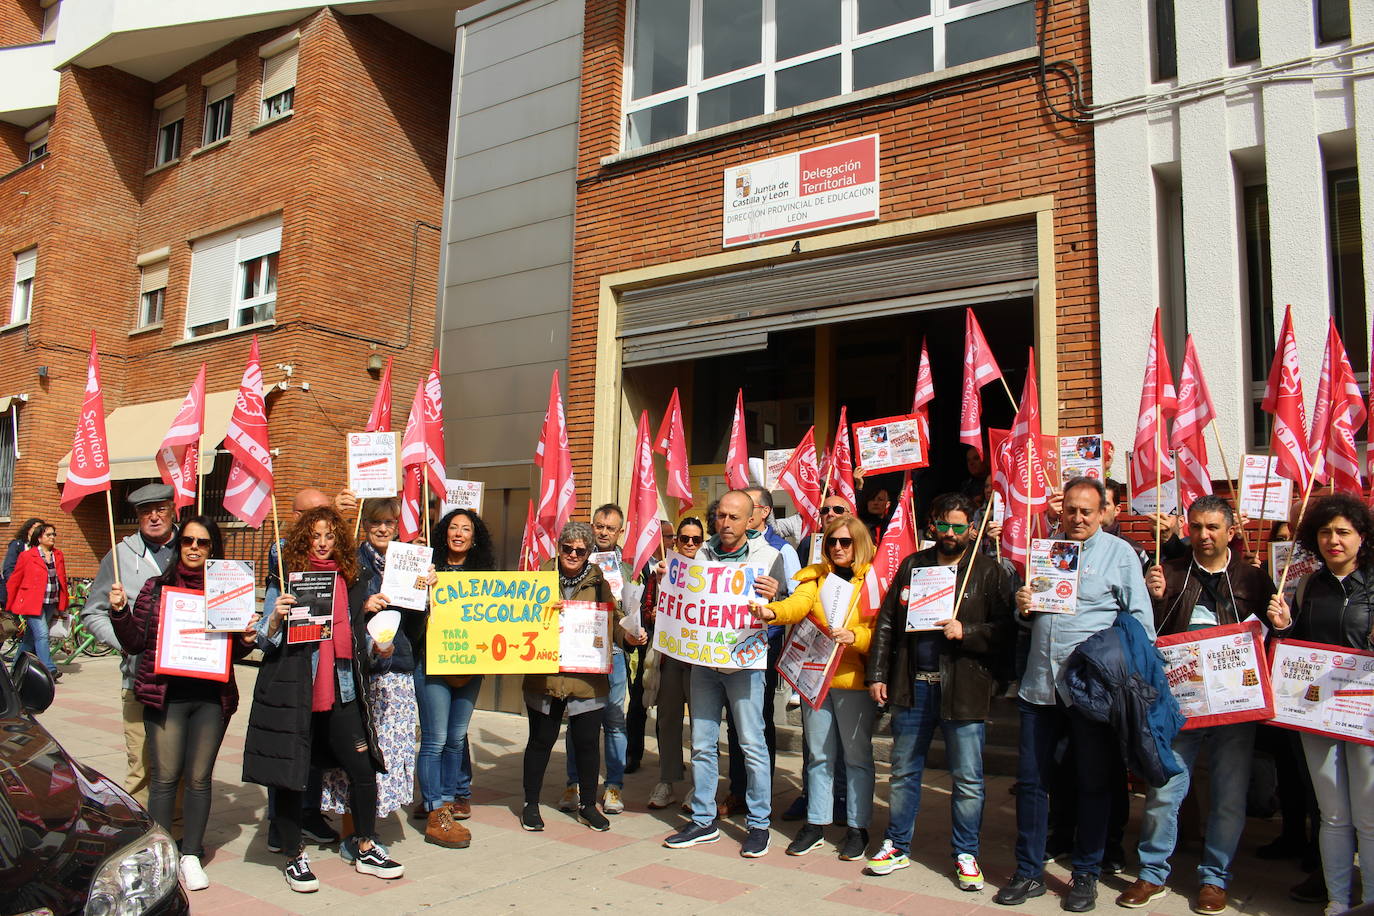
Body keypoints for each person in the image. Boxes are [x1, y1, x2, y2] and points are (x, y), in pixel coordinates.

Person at [993, 476, 1156, 912]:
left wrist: (1116, 666)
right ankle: (1028, 872)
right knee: (1031, 783)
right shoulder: (1046, 550)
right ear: (1060, 510)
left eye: (1087, 510)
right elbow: (1030, 618)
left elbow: (1141, 623)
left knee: (1094, 782)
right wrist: (1023, 607)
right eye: (1071, 509)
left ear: (1103, 512)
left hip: (1091, 692)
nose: (1078, 517)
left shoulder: (1120, 555)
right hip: (1039, 688)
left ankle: (1086, 871)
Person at [1116, 495, 1276, 914]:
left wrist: (1280, 621)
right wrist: (1152, 599)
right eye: (1196, 527)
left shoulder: (1253, 579)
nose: (1203, 536)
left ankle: (1214, 878)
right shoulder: (1168, 573)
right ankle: (1152, 873)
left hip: (1236, 704)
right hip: (1180, 703)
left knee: (1228, 794)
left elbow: (1273, 635)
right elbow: (1143, 633)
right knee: (1165, 788)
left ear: (1230, 531)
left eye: (1213, 528)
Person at [244, 506, 404, 893]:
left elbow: (356, 634)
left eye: (330, 535)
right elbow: (263, 641)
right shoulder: (286, 579)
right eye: (316, 535)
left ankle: (366, 844)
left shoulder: (351, 578)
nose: (322, 542)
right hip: (297, 690)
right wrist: (276, 620)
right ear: (304, 537)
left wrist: (377, 647)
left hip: (343, 688)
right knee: (291, 776)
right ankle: (293, 855)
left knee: (363, 769)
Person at [865, 493, 1015, 890]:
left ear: (971, 528)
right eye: (944, 525)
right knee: (903, 771)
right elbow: (886, 623)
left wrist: (970, 632)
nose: (950, 533)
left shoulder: (987, 571)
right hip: (913, 686)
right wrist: (878, 673)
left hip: (963, 688)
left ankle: (966, 852)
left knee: (967, 778)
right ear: (933, 525)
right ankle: (897, 845)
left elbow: (1007, 631)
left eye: (959, 526)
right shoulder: (914, 565)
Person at [108, 517, 258, 891]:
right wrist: (119, 611)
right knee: (163, 778)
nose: (194, 547)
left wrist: (248, 636)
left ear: (213, 550)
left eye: (203, 543)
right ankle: (161, 856)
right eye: (188, 540)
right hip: (167, 695)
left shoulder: (228, 589)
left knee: (198, 778)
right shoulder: (156, 588)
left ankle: (190, 853)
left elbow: (236, 648)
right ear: (179, 545)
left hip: (211, 697)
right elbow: (134, 643)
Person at [663, 489, 786, 858]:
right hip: (704, 665)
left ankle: (759, 824)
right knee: (701, 743)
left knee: (752, 745)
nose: (726, 523)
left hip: (745, 666)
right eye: (721, 516)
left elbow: (783, 611)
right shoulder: (700, 555)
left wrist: (776, 598)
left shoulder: (769, 558)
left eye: (734, 517)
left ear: (751, 521)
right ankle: (703, 819)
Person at [1267, 493, 1374, 916]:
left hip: (1364, 714)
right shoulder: (1308, 583)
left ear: (1361, 538)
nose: (1335, 540)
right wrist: (1284, 626)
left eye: (1344, 532)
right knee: (1332, 814)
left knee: (1368, 816)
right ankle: (1336, 900)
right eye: (1327, 532)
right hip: (1317, 712)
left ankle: (1368, 903)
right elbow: (1297, 647)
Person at [755, 512, 877, 862]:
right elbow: (798, 604)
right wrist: (773, 612)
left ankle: (857, 828)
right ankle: (816, 824)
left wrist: (856, 636)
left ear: (859, 544)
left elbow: (879, 628)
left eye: (845, 542)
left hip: (852, 680)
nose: (837, 548)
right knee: (818, 756)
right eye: (832, 542)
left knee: (856, 758)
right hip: (815, 678)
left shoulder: (871, 581)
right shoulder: (815, 577)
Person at [321, 499, 436, 843]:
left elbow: (414, 629)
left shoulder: (409, 562)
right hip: (360, 670)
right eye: (375, 522)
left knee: (389, 750)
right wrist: (363, 605)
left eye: (389, 522)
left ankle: (368, 830)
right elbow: (335, 609)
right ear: (365, 526)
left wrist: (425, 593)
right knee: (357, 754)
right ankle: (352, 834)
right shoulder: (350, 564)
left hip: (396, 668)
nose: (383, 528)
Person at [82, 483, 180, 803]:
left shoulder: (194, 547)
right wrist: (123, 643)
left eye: (160, 509)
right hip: (138, 679)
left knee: (179, 764)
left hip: (186, 681)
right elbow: (92, 613)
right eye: (145, 511)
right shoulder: (120, 555)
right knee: (140, 765)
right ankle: (140, 834)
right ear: (137, 516)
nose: (154, 517)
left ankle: (178, 832)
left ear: (173, 509)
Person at [522, 521, 616, 833]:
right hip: (545, 675)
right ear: (558, 547)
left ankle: (588, 805)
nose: (573, 554)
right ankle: (530, 804)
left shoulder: (600, 582)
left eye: (581, 550)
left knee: (588, 743)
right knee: (540, 741)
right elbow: (520, 617)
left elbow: (612, 621)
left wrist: (631, 633)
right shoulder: (538, 579)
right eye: (567, 548)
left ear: (589, 553)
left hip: (586, 679)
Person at [716, 486, 800, 819]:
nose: (734, 516)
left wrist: (778, 593)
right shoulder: (722, 548)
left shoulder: (781, 551)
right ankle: (738, 790)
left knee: (757, 724)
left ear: (761, 511)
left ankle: (758, 795)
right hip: (726, 645)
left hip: (763, 646)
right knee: (734, 723)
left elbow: (795, 600)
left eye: (745, 508)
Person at [414, 507, 495, 846]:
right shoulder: (426, 569)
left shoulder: (486, 576)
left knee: (455, 737)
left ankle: (445, 802)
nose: (459, 533)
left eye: (466, 529)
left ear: (475, 538)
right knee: (434, 739)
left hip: (470, 666)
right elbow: (409, 611)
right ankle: (434, 807)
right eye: (453, 527)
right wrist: (421, 586)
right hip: (432, 663)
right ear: (444, 532)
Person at [563, 504, 633, 816]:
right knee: (578, 720)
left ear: (621, 532)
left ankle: (614, 785)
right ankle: (574, 782)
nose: (603, 532)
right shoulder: (575, 560)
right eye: (599, 526)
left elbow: (635, 612)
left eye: (610, 528)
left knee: (615, 720)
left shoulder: (630, 569)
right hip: (579, 651)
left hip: (614, 653)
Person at [647, 517, 705, 810]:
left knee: (701, 725)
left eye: (696, 539)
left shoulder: (711, 573)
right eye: (684, 538)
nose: (690, 544)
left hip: (700, 664)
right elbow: (644, 612)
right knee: (668, 721)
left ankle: (699, 784)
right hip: (670, 659)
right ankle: (667, 779)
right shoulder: (661, 572)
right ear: (675, 541)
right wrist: (654, 612)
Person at [8, 522, 68, 680]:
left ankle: (15, 668)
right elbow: (15, 579)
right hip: (32, 602)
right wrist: (9, 603)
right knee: (42, 635)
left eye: (54, 534)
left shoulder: (58, 555)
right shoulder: (27, 555)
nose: (52, 537)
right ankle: (48, 668)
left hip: (51, 601)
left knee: (29, 638)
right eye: (49, 534)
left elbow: (62, 579)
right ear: (39, 537)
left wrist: (63, 603)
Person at [0, 517, 44, 609]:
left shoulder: (42, 548)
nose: (38, 531)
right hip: (17, 588)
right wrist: (16, 585)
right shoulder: (18, 545)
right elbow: (8, 567)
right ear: (28, 529)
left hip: (35, 591)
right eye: (35, 528)